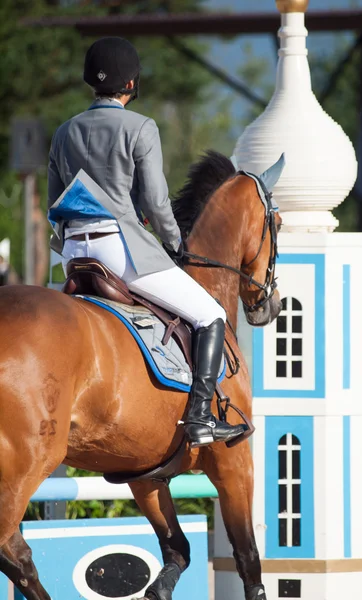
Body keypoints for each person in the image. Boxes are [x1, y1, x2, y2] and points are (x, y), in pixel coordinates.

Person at [47, 37, 244, 448]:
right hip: (119, 250)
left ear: (91, 82)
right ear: (132, 84)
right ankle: (200, 417)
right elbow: (154, 201)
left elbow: (55, 202)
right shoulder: (140, 128)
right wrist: (176, 243)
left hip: (72, 252)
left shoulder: (64, 132)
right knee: (209, 314)